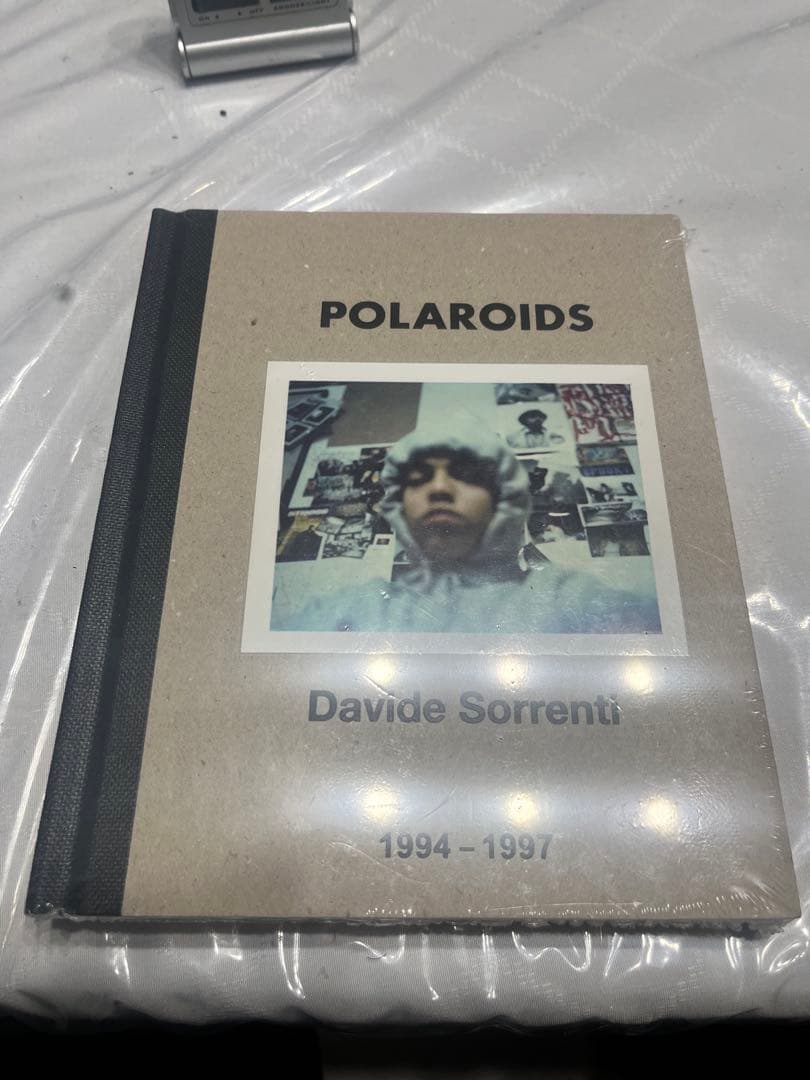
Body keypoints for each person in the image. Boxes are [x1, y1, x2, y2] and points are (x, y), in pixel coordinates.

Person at [274, 421, 661, 635]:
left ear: (504, 499)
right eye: (418, 478)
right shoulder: (353, 609)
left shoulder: (568, 599)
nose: (439, 488)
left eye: (467, 475)